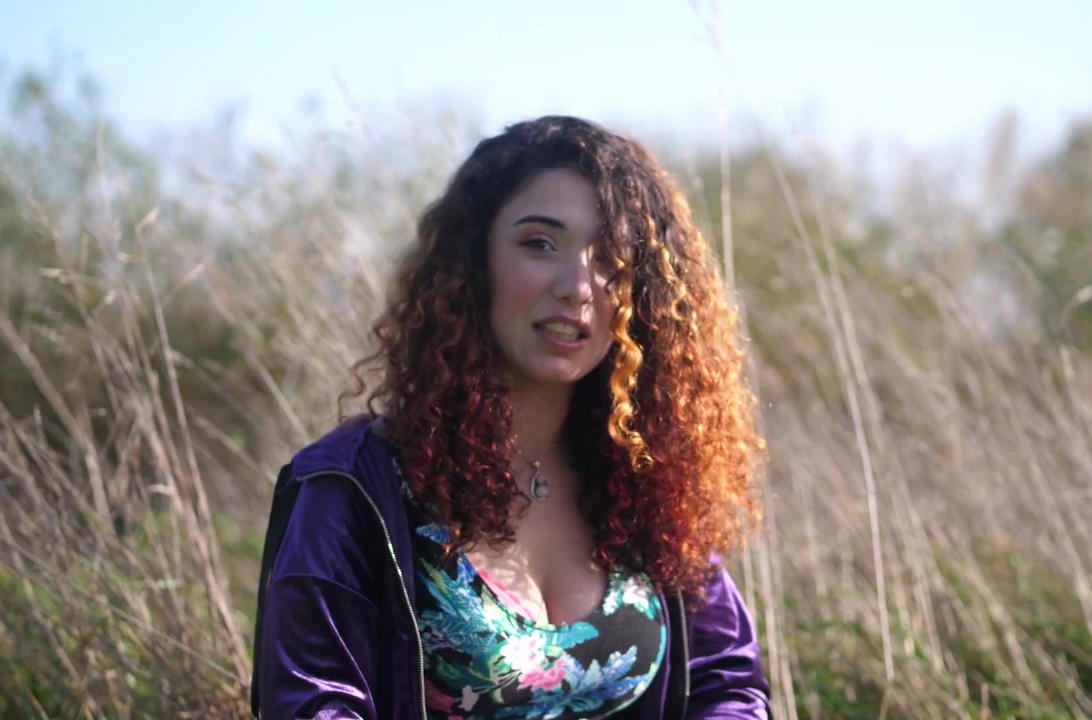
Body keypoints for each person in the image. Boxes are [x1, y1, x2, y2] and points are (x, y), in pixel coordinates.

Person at [255, 116, 771, 719]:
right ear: (473, 264)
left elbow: (725, 684)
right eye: (539, 244)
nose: (578, 286)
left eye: (612, 257)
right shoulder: (352, 489)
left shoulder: (647, 478)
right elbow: (313, 702)